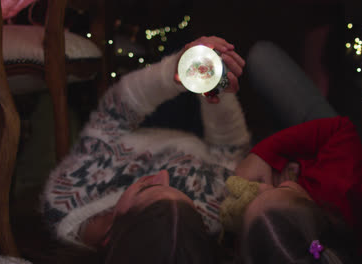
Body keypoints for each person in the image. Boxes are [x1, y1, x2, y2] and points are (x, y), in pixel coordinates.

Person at [41, 36, 248, 263]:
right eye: (183, 195)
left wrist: (175, 70)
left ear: (111, 236)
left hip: (138, 123)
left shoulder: (65, 199)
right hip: (209, 132)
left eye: (145, 189)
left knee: (170, 36)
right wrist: (214, 88)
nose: (164, 175)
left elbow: (112, 114)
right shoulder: (204, 219)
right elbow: (230, 149)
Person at [233, 41, 362, 264]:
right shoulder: (346, 188)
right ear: (316, 210)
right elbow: (340, 129)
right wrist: (263, 153)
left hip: (299, 159)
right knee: (260, 55)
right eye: (279, 189)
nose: (261, 186)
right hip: (322, 141)